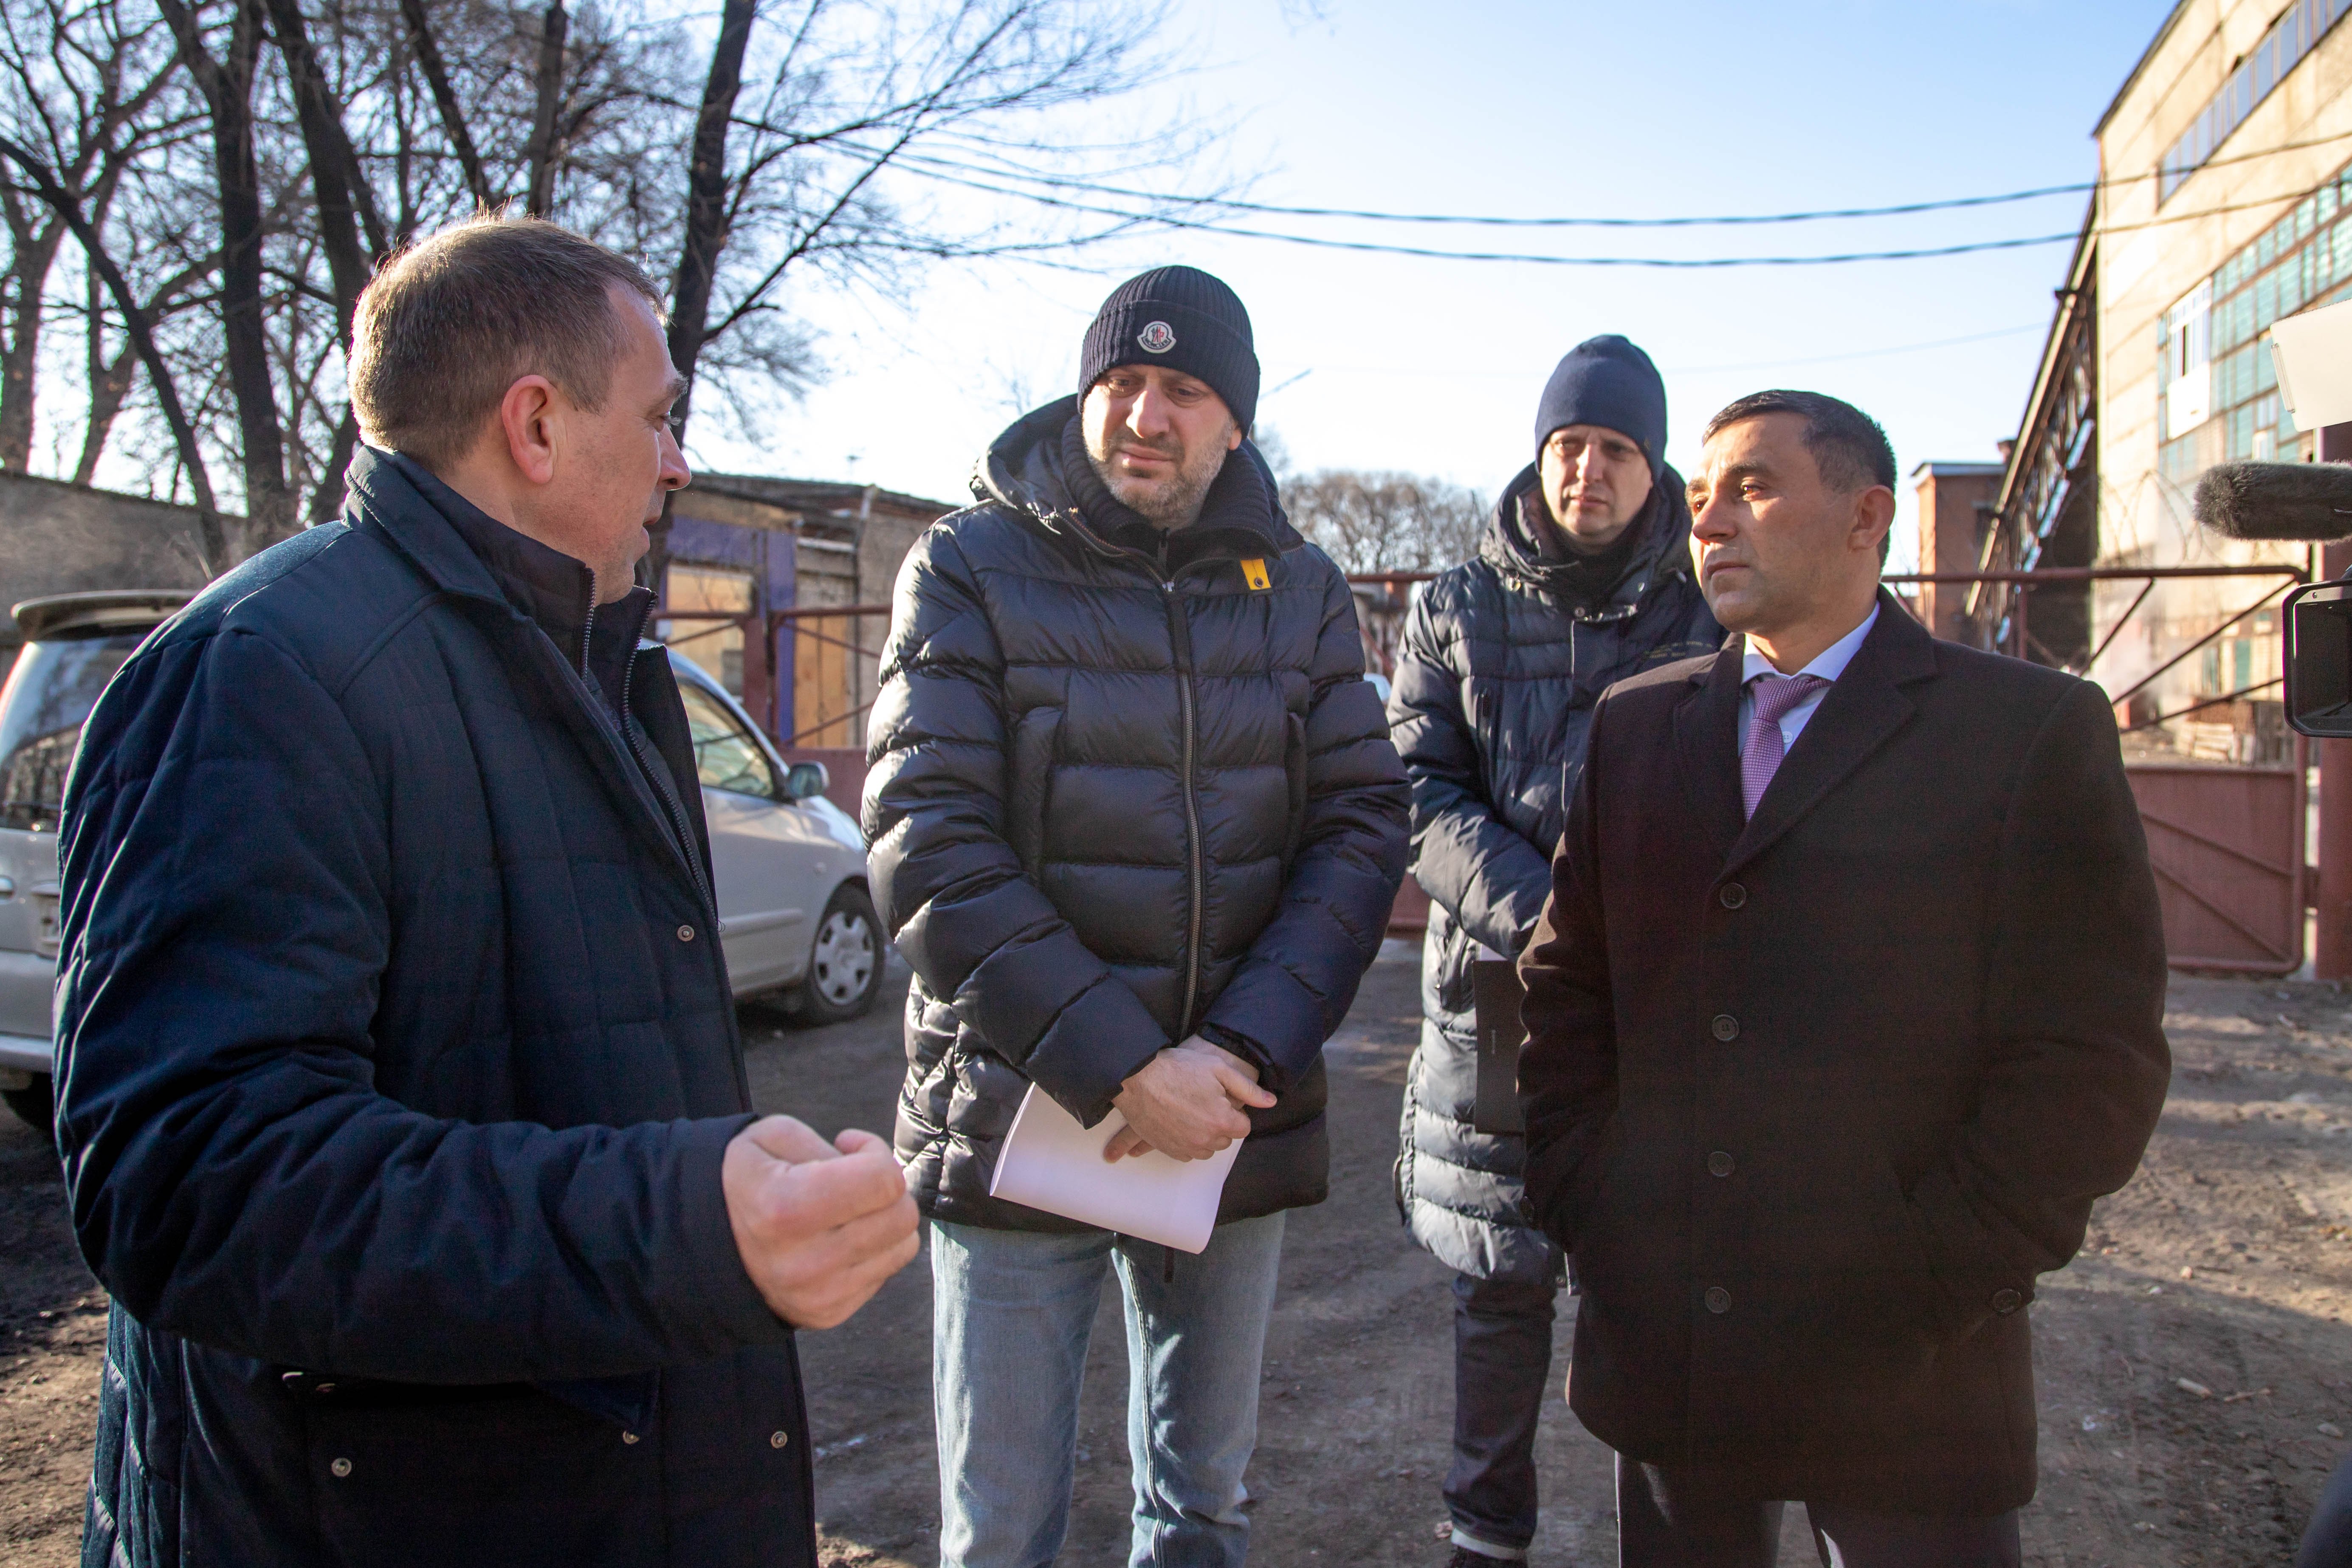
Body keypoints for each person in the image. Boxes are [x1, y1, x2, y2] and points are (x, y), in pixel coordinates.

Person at [53, 214, 919, 1568]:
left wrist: (708, 1218)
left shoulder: (591, 658)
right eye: (659, 414)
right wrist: (679, 1226)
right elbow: (190, 1183)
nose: (679, 459)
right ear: (535, 424)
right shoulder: (265, 672)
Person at [1516, 389, 2171, 1567]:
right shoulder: (1636, 727)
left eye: (1752, 487)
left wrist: (1933, 1273)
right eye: (1701, 494)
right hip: (1673, 1342)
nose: (1707, 520)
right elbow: (1564, 994)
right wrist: (1595, 1209)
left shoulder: (2023, 731)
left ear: (1869, 514)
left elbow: (2091, 1054)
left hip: (1906, 1364)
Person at [864, 264, 1409, 1568]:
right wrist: (1123, 1065)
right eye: (1119, 382)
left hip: (1228, 1117)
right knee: (1000, 1529)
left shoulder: (1302, 585)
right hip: (1014, 1112)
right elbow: (926, 838)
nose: (1142, 415)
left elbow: (1357, 827)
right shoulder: (970, 562)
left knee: (1199, 1510)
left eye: (1181, 388)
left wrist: (1233, 1054)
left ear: (1235, 421)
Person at [1387, 335, 1719, 1567]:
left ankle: (1677, 1535)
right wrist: (1546, 915)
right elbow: (1415, 787)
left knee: (1658, 1276)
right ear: (1539, 453)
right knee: (1499, 1273)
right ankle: (1484, 1534)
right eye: (1568, 444)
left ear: (1652, 463)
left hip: (1671, 995)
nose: (1587, 469)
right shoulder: (1454, 602)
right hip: (1498, 990)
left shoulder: (1710, 596)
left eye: (1615, 448)